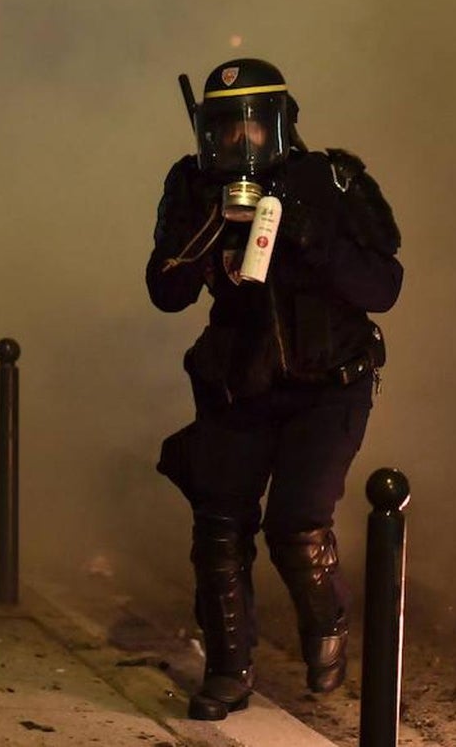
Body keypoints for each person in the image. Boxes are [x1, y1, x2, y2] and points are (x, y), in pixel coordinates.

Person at [145, 57, 403, 721]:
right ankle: (228, 672)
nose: (239, 142)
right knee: (219, 525)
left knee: (297, 523)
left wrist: (310, 237)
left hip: (329, 385)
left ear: (282, 125)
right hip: (240, 384)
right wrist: (211, 225)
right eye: (224, 128)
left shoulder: (333, 180)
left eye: (252, 128)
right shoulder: (191, 183)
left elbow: (385, 287)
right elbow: (165, 291)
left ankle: (327, 627)